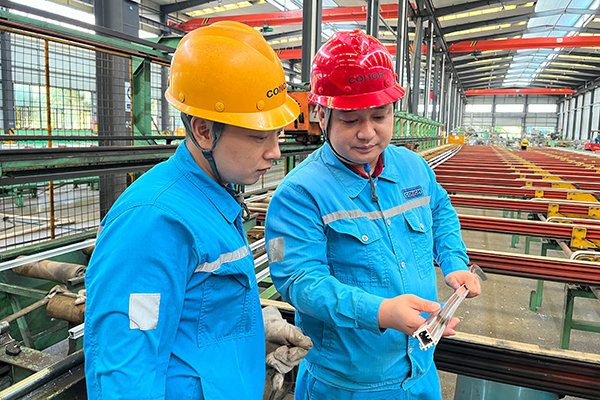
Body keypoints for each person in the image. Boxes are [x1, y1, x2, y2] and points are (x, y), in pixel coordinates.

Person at [84, 21, 312, 400]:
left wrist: (251, 331)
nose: (274, 152)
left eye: (277, 133)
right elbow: (126, 369)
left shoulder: (214, 195)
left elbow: (198, 307)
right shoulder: (155, 221)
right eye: (259, 136)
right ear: (204, 131)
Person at [264, 30, 481, 400]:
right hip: (348, 385)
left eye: (379, 116)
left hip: (421, 370)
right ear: (322, 114)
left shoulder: (413, 167)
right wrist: (380, 312)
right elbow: (300, 280)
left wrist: (453, 261)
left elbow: (440, 210)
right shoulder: (300, 193)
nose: (368, 133)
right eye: (350, 120)